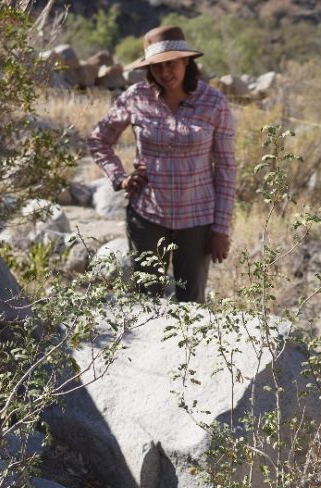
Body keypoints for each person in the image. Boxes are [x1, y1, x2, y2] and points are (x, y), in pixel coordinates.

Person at [87, 25, 237, 303]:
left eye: (171, 64)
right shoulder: (136, 97)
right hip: (146, 217)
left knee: (191, 306)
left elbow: (227, 168)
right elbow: (98, 140)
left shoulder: (213, 102)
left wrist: (220, 229)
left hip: (197, 219)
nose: (165, 73)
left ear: (186, 61)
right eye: (156, 67)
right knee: (145, 302)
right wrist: (120, 178)